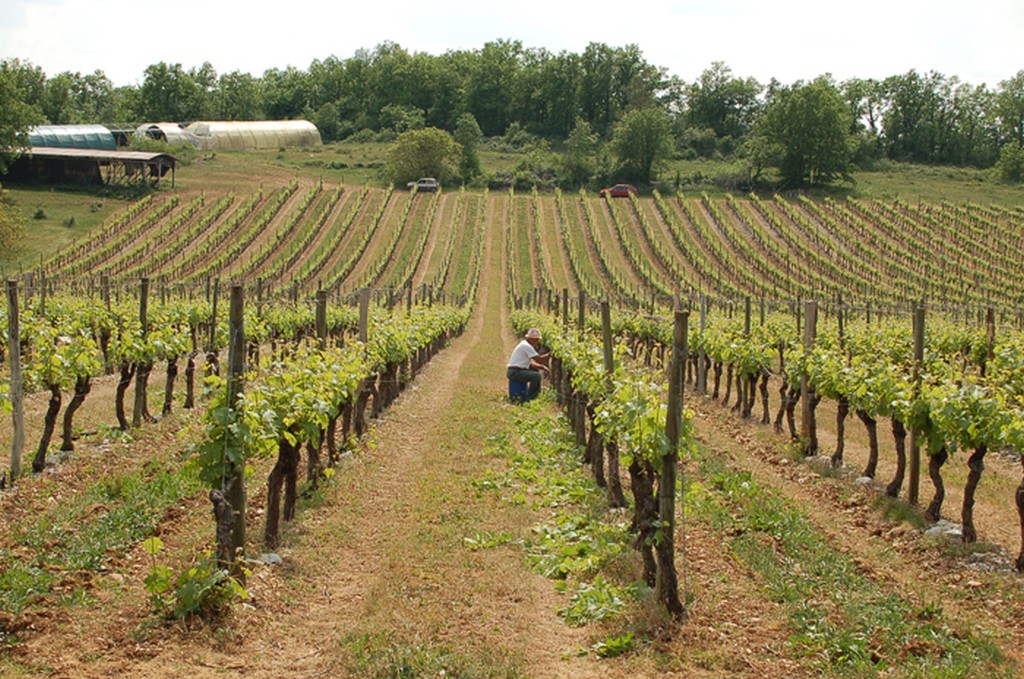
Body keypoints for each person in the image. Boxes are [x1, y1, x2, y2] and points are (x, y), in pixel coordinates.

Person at [506, 328, 551, 402]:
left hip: (514, 371)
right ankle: (531, 398)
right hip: (515, 372)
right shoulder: (527, 346)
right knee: (536, 376)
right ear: (531, 339)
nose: (537, 341)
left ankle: (535, 394)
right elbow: (538, 359)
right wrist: (550, 355)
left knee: (535, 371)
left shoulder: (524, 344)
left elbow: (530, 364)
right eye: (536, 339)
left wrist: (543, 367)